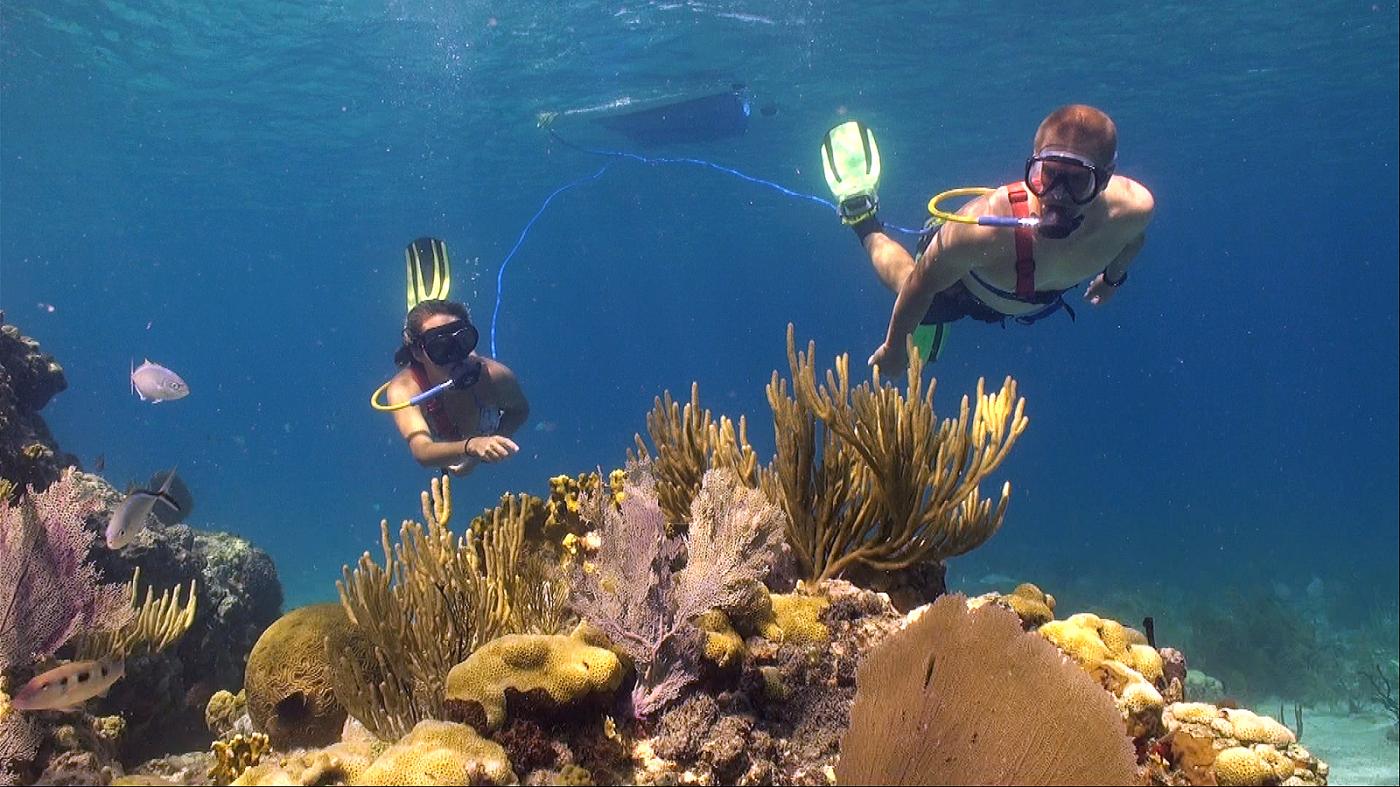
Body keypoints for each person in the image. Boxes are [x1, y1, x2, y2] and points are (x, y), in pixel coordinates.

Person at [822, 104, 1155, 370]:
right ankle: (864, 222)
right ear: (1032, 167)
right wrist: (895, 348)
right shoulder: (982, 231)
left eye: (1077, 181)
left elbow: (1132, 240)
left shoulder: (1132, 211)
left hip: (1009, 296)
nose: (1058, 195)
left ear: (1106, 179)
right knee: (908, 280)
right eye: (1048, 176)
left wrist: (1113, 279)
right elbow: (920, 285)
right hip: (961, 288)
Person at [384, 298, 529, 475]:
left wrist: (485, 450)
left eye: (464, 341)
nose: (456, 356)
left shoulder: (493, 376)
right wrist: (470, 446)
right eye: (440, 348)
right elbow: (421, 450)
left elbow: (520, 410)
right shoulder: (406, 389)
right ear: (417, 353)